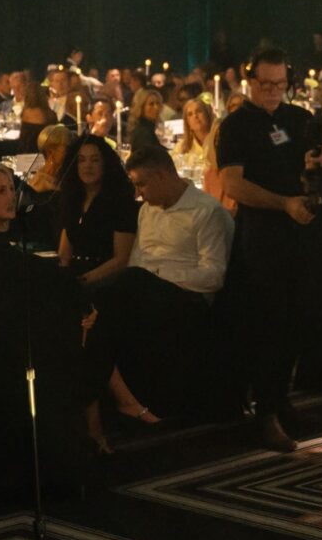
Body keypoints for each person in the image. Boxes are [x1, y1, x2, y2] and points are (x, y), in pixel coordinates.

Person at [0, 163, 101, 471]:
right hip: (7, 365)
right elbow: (54, 282)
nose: (11, 197)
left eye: (11, 189)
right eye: (0, 191)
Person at [217, 48, 319, 451]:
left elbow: (313, 167)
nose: (274, 90)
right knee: (267, 324)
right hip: (262, 237)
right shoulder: (237, 125)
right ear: (250, 81)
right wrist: (283, 203)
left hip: (302, 232)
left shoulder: (299, 118)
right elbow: (232, 184)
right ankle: (265, 412)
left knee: (299, 320)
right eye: (266, 84)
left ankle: (282, 399)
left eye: (281, 84)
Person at [94, 146, 233, 422]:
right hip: (144, 291)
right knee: (92, 306)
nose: (138, 193)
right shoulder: (148, 211)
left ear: (161, 176)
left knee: (120, 291)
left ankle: (120, 403)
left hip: (188, 298)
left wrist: (157, 277)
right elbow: (137, 260)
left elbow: (214, 275)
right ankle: (120, 400)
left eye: (141, 184)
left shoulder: (207, 211)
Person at [56, 134, 139, 283]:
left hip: (108, 279)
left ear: (106, 164)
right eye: (81, 160)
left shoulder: (121, 202)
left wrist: (83, 281)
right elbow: (64, 255)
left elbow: (122, 259)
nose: (88, 166)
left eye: (95, 160)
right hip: (75, 275)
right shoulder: (73, 200)